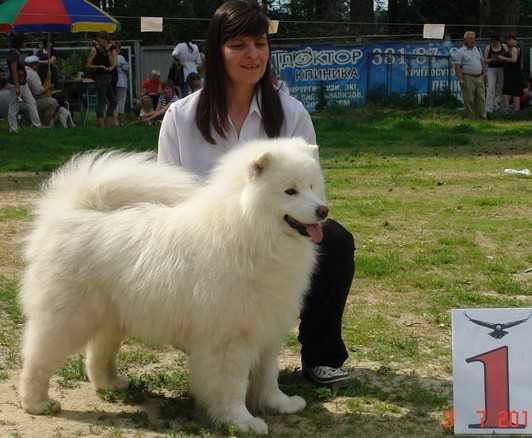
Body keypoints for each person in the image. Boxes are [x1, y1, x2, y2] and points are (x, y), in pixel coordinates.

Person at [158, 0, 355, 385]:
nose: (253, 55)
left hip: (273, 237)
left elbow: (311, 187)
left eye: (260, 44)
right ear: (217, 51)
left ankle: (321, 354)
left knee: (335, 242)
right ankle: (207, 340)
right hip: (202, 242)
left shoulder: (291, 113)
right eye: (239, 45)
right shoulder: (181, 117)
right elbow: (167, 196)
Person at [6, 33, 41, 133]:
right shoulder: (13, 54)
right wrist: (17, 87)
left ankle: (37, 125)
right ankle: (13, 129)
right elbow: (14, 72)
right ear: (20, 43)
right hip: (16, 85)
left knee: (31, 102)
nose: (26, 43)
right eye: (24, 41)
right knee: (14, 106)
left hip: (23, 84)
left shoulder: (17, 52)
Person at [86, 31, 117, 127]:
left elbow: (112, 63)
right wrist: (99, 66)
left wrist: (108, 51)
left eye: (104, 40)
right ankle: (101, 122)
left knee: (113, 101)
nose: (102, 42)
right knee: (102, 100)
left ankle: (108, 118)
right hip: (100, 77)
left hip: (108, 76)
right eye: (100, 40)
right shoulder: (94, 50)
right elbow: (88, 64)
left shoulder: (106, 50)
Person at [453, 31, 486, 119]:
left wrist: (484, 74)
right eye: (471, 38)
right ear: (465, 40)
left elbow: (482, 62)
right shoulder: (460, 52)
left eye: (474, 38)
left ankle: (482, 117)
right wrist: (460, 79)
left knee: (481, 98)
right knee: (469, 99)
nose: (473, 40)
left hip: (479, 77)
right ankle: (471, 117)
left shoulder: (477, 49)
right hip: (468, 77)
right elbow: (457, 67)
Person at [24, 55, 59, 128]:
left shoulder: (24, 71)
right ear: (32, 65)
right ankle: (45, 125)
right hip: (29, 104)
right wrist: (49, 86)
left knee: (45, 98)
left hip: (21, 101)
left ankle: (37, 121)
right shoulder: (32, 74)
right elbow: (39, 91)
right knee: (53, 102)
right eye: (37, 64)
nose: (38, 66)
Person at [498, 34, 522, 112]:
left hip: (512, 73)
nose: (507, 43)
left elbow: (514, 60)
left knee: (509, 91)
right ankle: (515, 110)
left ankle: (507, 109)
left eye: (508, 41)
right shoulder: (516, 47)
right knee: (514, 92)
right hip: (513, 73)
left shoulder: (515, 48)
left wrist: (502, 58)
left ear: (512, 40)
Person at [484, 35, 506, 115]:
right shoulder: (488, 47)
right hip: (491, 69)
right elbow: (485, 60)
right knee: (491, 88)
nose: (494, 43)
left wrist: (502, 58)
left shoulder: (504, 46)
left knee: (502, 87)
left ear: (498, 41)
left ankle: (502, 107)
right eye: (492, 42)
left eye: (495, 42)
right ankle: (488, 109)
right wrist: (493, 59)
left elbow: (508, 56)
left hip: (502, 69)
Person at [113, 42, 129, 125]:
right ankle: (120, 120)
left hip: (113, 82)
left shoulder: (110, 57)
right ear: (118, 49)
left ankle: (114, 120)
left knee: (113, 100)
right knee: (121, 101)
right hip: (122, 82)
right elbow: (126, 68)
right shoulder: (120, 57)